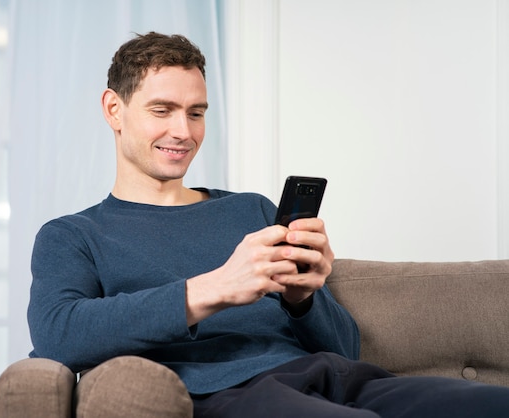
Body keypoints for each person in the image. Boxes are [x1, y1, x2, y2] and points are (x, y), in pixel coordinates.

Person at [27, 32, 509, 417]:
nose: (184, 131)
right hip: (233, 394)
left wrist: (302, 301)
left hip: (338, 377)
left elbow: (347, 347)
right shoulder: (73, 235)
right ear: (114, 108)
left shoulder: (251, 211)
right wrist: (213, 288)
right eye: (162, 110)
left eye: (196, 113)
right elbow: (57, 335)